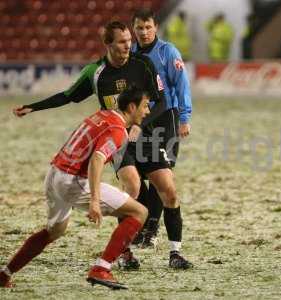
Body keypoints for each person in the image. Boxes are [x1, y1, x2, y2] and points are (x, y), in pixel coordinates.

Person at [13, 20, 192, 270]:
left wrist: (142, 125)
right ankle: (124, 252)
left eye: (129, 41)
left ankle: (175, 253)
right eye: (122, 42)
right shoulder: (95, 73)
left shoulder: (143, 64)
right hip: (117, 140)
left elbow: (161, 101)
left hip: (148, 136)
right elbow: (68, 96)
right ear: (107, 44)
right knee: (132, 186)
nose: (128, 46)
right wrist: (34, 106)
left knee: (169, 190)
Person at [1, 85, 151, 290]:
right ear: (132, 107)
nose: (148, 111)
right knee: (140, 212)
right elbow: (97, 160)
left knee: (54, 231)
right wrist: (95, 202)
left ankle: (4, 274)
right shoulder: (118, 131)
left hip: (54, 173)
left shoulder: (103, 114)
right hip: (71, 181)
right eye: (145, 106)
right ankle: (102, 268)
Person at [116, 9, 193, 270]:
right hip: (140, 120)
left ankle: (151, 230)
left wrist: (184, 117)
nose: (144, 32)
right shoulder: (133, 55)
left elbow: (181, 84)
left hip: (166, 118)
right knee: (142, 176)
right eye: (139, 28)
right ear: (133, 29)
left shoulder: (167, 52)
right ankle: (147, 225)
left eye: (148, 27)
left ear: (155, 27)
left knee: (163, 174)